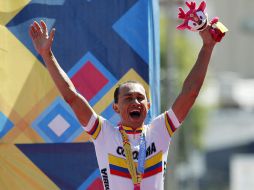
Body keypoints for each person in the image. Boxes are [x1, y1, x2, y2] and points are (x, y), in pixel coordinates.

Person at [29, 20, 217, 190]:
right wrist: (47, 55)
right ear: (116, 108)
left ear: (148, 106)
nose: (135, 102)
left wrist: (207, 47)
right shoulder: (104, 134)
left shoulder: (160, 130)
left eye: (139, 98)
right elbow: (72, 97)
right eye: (128, 98)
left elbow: (190, 93)